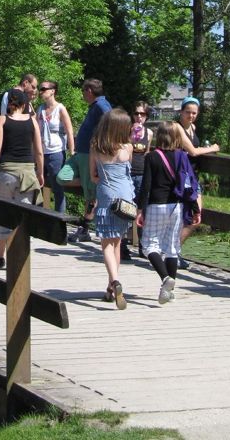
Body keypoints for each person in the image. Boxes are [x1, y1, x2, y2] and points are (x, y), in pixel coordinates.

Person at [137, 121, 200, 305]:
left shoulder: (152, 157)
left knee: (150, 245)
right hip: (177, 205)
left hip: (156, 205)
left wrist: (140, 209)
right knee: (172, 247)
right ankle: (170, 293)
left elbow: (146, 186)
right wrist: (195, 208)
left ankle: (165, 278)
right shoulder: (182, 156)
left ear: (159, 136)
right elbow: (189, 184)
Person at [0, 88, 45, 268]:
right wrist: (40, 173)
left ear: (9, 103)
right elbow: (39, 151)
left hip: (6, 173)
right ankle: (20, 259)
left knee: (3, 215)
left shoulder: (2, 120)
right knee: (22, 218)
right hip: (27, 174)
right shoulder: (32, 121)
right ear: (24, 105)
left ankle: (1, 256)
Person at [90, 109, 135, 309]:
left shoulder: (96, 146)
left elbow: (93, 176)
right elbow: (127, 172)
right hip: (125, 198)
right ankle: (111, 288)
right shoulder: (128, 148)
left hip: (107, 195)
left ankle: (115, 281)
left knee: (106, 244)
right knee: (117, 241)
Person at [65, 79, 112, 243]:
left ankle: (84, 228)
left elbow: (111, 122)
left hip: (90, 154)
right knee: (63, 178)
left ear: (90, 91)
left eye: (84, 91)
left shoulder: (101, 105)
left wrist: (100, 145)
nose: (83, 94)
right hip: (82, 154)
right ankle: (85, 224)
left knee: (90, 194)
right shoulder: (95, 105)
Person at [174, 96, 219, 265]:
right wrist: (212, 148)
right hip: (180, 178)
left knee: (195, 216)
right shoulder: (177, 128)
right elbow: (192, 151)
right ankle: (172, 253)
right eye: (188, 112)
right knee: (186, 217)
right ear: (181, 112)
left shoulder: (193, 128)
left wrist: (202, 150)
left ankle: (173, 252)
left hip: (193, 177)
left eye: (194, 113)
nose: (191, 116)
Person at [36, 81, 75, 213]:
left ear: (53, 91)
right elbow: (36, 130)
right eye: (40, 89)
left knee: (57, 188)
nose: (41, 91)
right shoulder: (40, 109)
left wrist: (72, 151)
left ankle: (58, 219)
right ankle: (38, 216)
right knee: (37, 186)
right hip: (41, 152)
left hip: (56, 152)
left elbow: (69, 131)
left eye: (44, 89)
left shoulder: (60, 108)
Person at [127, 101, 153, 257]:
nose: (139, 116)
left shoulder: (149, 133)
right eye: (136, 113)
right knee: (126, 209)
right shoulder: (127, 129)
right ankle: (123, 244)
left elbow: (147, 153)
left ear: (146, 116)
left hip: (142, 173)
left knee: (142, 210)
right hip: (128, 173)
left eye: (142, 114)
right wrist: (131, 135)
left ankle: (143, 246)